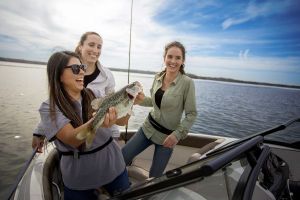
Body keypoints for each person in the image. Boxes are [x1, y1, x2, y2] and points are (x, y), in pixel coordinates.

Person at [36, 51, 130, 199]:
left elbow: (123, 121)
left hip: (113, 167)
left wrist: (130, 103)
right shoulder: (49, 108)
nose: (81, 71)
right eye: (75, 68)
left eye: (82, 67)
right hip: (79, 178)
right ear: (58, 75)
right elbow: (73, 139)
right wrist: (99, 119)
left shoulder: (95, 95)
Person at [32, 31, 121, 152]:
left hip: (107, 133)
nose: (95, 50)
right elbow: (57, 105)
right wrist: (39, 132)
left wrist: (130, 101)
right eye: (91, 44)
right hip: (78, 146)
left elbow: (115, 102)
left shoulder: (107, 76)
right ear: (80, 46)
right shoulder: (66, 63)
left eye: (99, 47)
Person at [122, 41, 197, 178]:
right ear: (164, 58)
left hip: (167, 138)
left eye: (178, 58)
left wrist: (177, 135)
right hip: (147, 128)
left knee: (154, 178)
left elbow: (191, 114)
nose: (173, 61)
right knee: (121, 157)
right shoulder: (157, 77)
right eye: (170, 56)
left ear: (183, 61)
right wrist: (139, 100)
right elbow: (154, 102)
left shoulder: (187, 83)